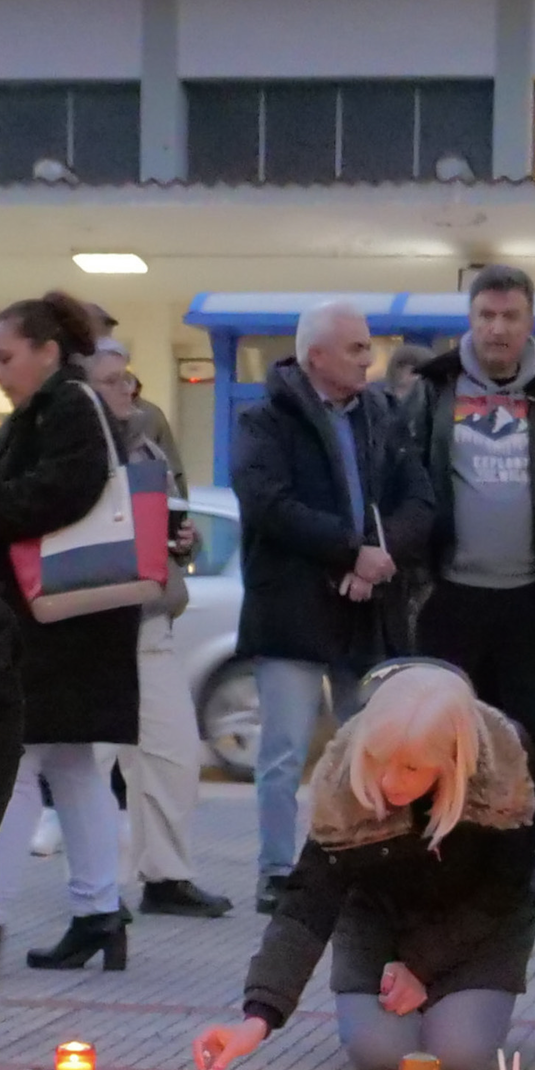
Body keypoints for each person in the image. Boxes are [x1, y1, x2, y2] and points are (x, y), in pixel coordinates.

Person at [190, 664, 535, 1070]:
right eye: (380, 761)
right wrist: (257, 1018)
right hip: (380, 923)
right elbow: (308, 902)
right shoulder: (346, 780)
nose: (389, 782)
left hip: (478, 925)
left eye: (411, 768)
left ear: (452, 760)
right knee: (381, 1055)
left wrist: (422, 967)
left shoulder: (504, 770)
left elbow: (505, 885)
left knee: (458, 1056)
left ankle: (460, 1003)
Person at [0, 290, 145, 971]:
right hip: (68, 621)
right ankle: (97, 913)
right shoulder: (56, 407)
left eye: (4, 357)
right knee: (69, 765)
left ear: (46, 353)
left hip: (56, 621)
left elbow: (63, 493)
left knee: (17, 761)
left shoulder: (67, 407)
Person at [232, 298, 435, 912]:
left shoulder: (383, 415)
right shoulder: (265, 420)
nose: (368, 359)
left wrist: (380, 554)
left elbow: (419, 501)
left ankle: (356, 859)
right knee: (286, 747)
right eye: (355, 348)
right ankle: (276, 870)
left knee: (366, 745)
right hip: (292, 609)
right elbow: (268, 502)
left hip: (367, 607)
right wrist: (351, 553)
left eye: (369, 346)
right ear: (314, 356)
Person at [407, 266, 535, 860]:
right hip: (448, 593)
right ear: (470, 319)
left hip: (530, 595)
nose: (497, 328)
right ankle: (441, 847)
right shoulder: (434, 388)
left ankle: (519, 855)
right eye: (486, 315)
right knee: (445, 731)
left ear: (530, 321)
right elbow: (405, 480)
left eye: (510, 316)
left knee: (524, 733)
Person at [94, 334, 227, 918]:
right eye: (113, 380)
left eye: (130, 379)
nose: (129, 389)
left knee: (172, 753)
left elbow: (178, 509)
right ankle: (93, 891)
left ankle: (166, 875)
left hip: (150, 618)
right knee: (88, 763)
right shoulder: (64, 449)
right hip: (89, 625)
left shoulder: (149, 438)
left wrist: (184, 542)